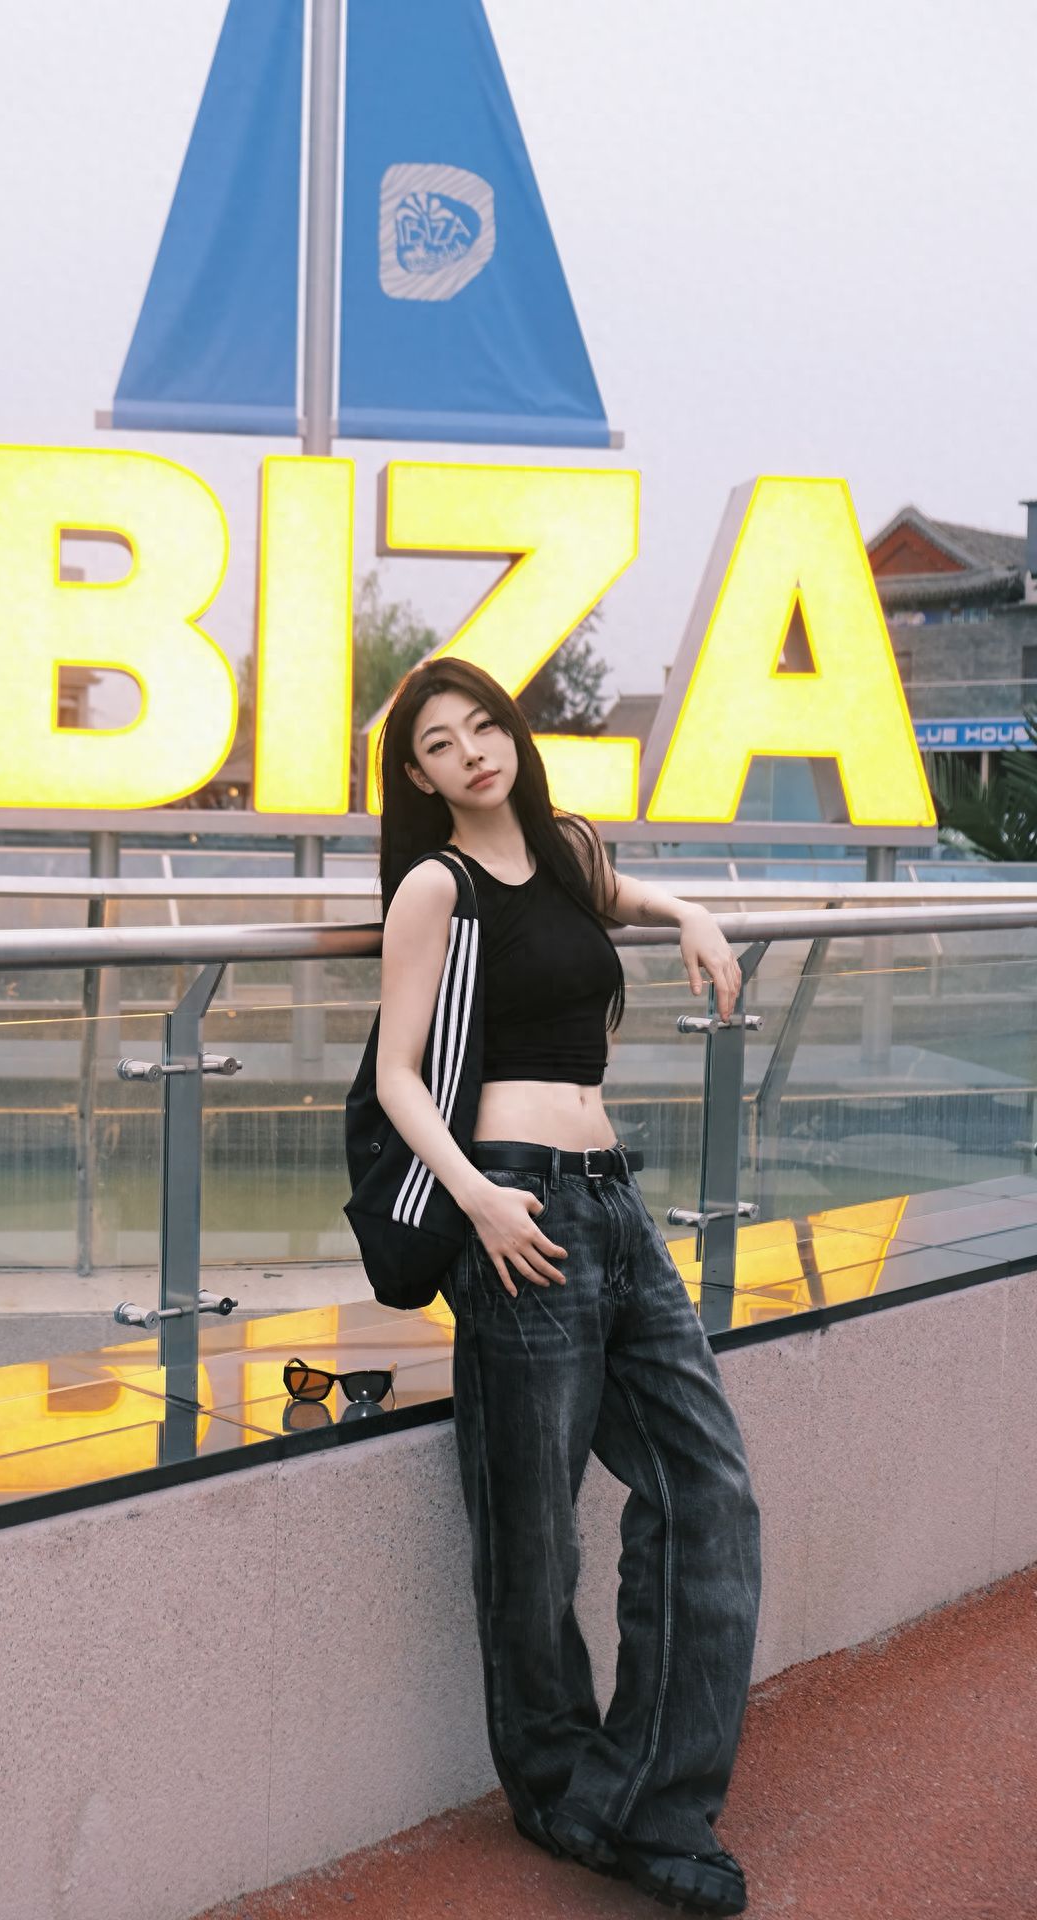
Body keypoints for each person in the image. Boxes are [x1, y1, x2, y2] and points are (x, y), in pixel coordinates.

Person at [373, 658, 762, 1917]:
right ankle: (554, 1789)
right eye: (441, 741)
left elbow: (612, 889)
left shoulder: (564, 849)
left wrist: (689, 915)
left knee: (706, 1487)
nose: (473, 750)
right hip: (514, 1206)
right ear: (419, 774)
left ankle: (645, 1799)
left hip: (613, 1202)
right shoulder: (437, 886)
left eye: (485, 724)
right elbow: (394, 1077)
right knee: (534, 1532)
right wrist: (478, 1198)